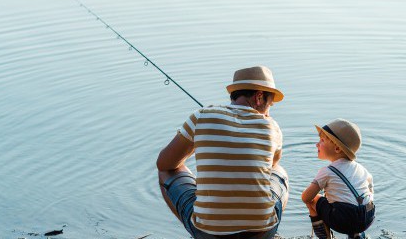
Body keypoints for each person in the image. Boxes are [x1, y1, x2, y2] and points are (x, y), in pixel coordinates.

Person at [156, 66, 289, 238]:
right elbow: (272, 166)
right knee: (280, 172)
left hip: (207, 232)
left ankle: (200, 229)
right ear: (259, 97)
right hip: (262, 231)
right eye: (270, 105)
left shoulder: (201, 116)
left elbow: (164, 164)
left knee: (166, 171)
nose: (269, 111)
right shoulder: (272, 127)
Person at [301, 119, 375, 239]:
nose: (317, 144)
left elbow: (306, 197)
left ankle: (325, 237)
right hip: (368, 215)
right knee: (353, 201)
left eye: (322, 140)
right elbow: (370, 191)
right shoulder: (362, 169)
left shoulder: (327, 171)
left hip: (344, 219)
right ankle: (356, 235)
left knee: (313, 200)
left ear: (337, 149)